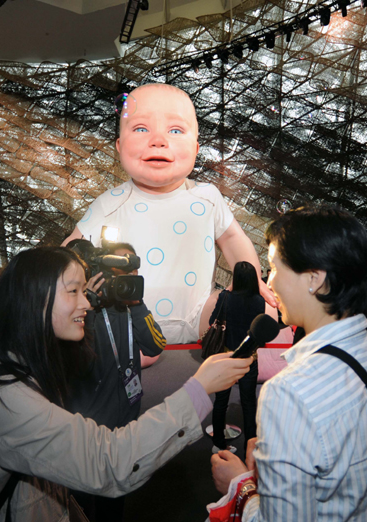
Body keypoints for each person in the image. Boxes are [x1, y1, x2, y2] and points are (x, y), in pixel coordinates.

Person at [0, 246, 252, 522]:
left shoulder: (20, 359)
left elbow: (155, 344)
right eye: (74, 291)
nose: (86, 302)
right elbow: (108, 461)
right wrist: (197, 390)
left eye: (85, 290)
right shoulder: (1, 396)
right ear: (35, 297)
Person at [62, 83, 276, 346]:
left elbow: (232, 238)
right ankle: (134, 348)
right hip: (128, 314)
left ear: (196, 149)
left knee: (262, 307)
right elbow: (67, 254)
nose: (159, 140)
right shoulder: (110, 203)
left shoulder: (207, 197)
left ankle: (226, 345)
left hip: (201, 314)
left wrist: (250, 280)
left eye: (175, 130)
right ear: (119, 146)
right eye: (141, 129)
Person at [210, 205, 367, 521]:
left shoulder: (289, 392)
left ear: (315, 279)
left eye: (275, 268)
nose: (271, 282)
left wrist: (240, 486)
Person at [66, 242, 165, 521]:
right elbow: (71, 363)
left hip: (126, 422)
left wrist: (137, 305)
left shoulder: (131, 305)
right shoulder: (83, 310)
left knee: (115, 498)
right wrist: (88, 307)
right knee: (82, 502)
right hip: (88, 428)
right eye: (117, 271)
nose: (125, 279)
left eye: (130, 272)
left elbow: (156, 345)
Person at [209, 262, 277, 455]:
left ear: (235, 277)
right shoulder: (259, 301)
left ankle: (219, 444)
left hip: (226, 356)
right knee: (249, 403)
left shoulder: (225, 298)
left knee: (221, 401)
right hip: (249, 358)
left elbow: (211, 321)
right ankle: (251, 444)